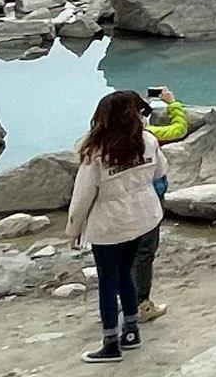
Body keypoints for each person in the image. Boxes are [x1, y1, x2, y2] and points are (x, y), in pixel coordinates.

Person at [68, 91, 168, 360]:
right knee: (126, 273)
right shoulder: (147, 141)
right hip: (142, 217)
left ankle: (110, 344)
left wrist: (74, 229)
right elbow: (160, 172)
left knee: (107, 281)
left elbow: (82, 197)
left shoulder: (96, 153)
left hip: (109, 224)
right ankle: (132, 331)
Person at [132, 86, 190, 324]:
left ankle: (123, 300)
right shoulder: (148, 137)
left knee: (123, 253)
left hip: (117, 207)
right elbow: (180, 128)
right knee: (144, 252)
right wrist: (172, 102)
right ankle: (140, 304)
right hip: (149, 201)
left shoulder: (102, 142)